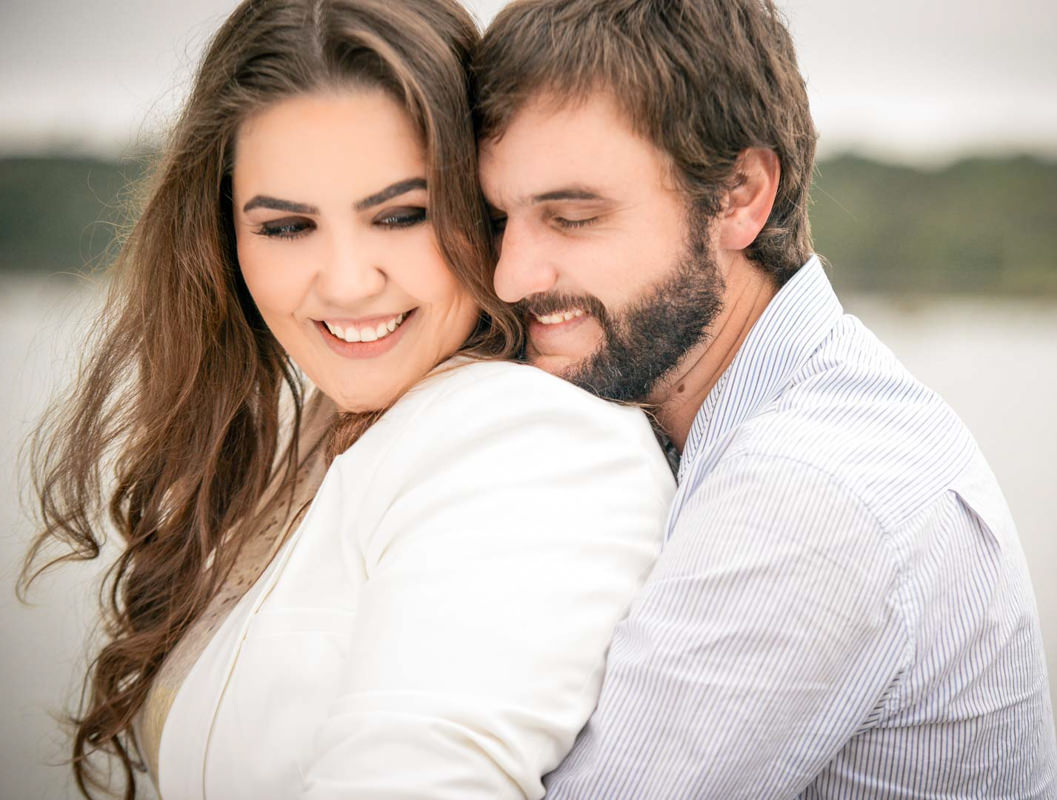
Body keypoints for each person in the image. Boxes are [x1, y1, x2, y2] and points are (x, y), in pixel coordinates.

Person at [19, 1, 674, 798]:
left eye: (401, 215)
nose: (348, 282)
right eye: (288, 227)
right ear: (223, 238)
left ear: (479, 203)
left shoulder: (533, 448)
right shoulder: (314, 427)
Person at [474, 0, 1057, 797]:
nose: (512, 277)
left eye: (573, 217)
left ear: (740, 196)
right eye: (498, 219)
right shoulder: (752, 405)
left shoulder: (808, 491)